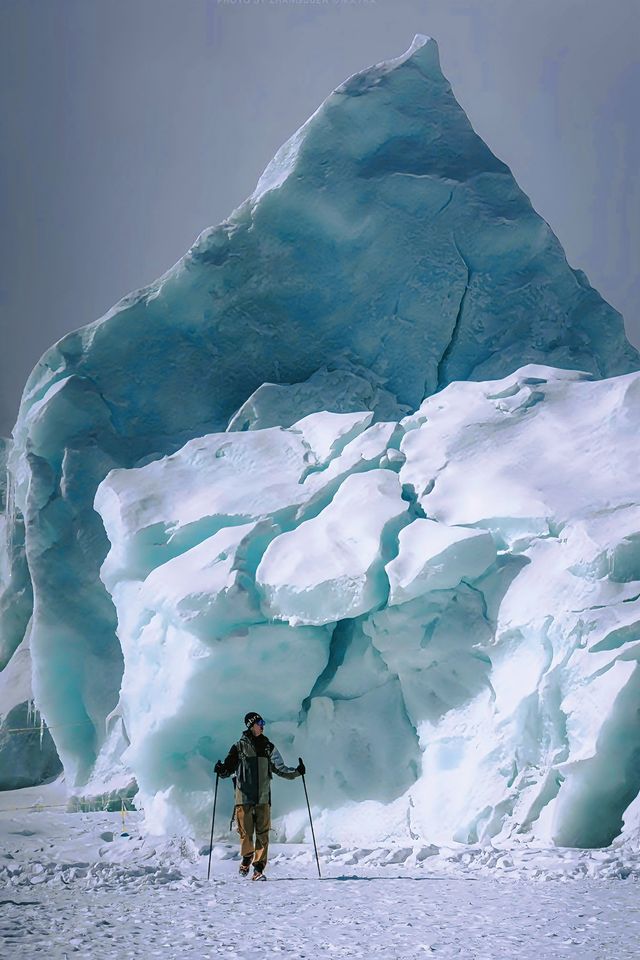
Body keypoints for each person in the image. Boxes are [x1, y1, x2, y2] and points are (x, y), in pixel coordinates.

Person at [214, 711, 305, 881]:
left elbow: (281, 769)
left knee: (263, 834)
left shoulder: (268, 746)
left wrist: (297, 772)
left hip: (263, 798)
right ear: (251, 725)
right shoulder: (238, 747)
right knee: (246, 834)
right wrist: (221, 770)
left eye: (263, 723)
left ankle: (258, 869)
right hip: (243, 798)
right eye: (260, 722)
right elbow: (228, 768)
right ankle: (247, 857)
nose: (263, 726)